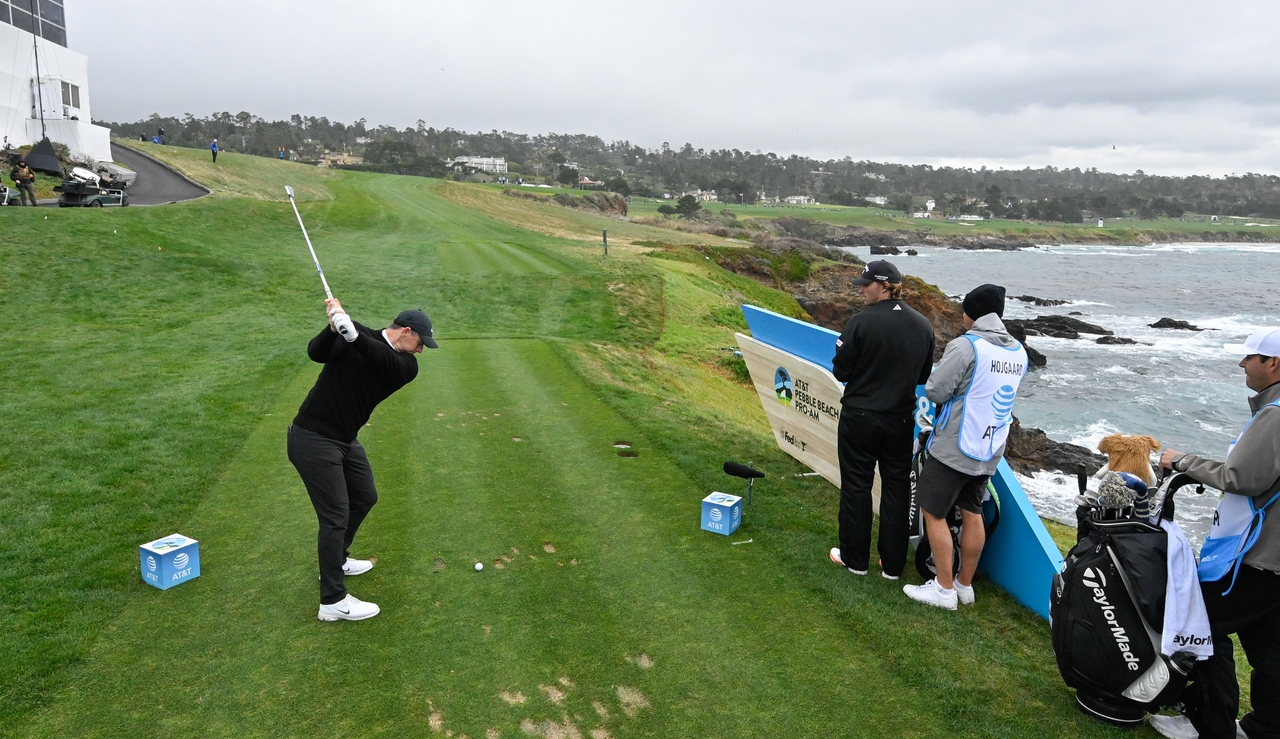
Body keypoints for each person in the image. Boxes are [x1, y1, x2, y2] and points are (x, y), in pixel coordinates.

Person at [1149, 327, 1280, 739]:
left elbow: (1242, 476)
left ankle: (1210, 725)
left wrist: (1182, 460)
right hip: (1274, 560)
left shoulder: (1274, 413)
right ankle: (1265, 727)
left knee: (1200, 623)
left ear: (1272, 363)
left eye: (1249, 358)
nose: (1242, 364)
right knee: (1269, 647)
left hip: (1256, 555)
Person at [288, 300, 438, 621]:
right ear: (407, 331)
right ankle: (332, 601)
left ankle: (336, 559)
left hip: (344, 440)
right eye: (420, 343)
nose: (421, 350)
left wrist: (352, 335)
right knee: (335, 516)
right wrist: (332, 331)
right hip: (312, 437)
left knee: (365, 497)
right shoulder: (354, 333)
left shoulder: (405, 365)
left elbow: (379, 357)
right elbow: (317, 353)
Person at [903, 284, 1026, 609]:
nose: (961, 314)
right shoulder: (1018, 351)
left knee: (933, 511)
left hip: (955, 445)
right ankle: (964, 585)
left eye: (965, 308)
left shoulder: (966, 346)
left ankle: (943, 590)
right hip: (989, 448)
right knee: (973, 512)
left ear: (973, 312)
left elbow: (935, 390)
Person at [829, 260, 936, 579]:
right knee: (896, 489)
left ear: (886, 286)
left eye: (866, 284)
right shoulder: (923, 324)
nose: (861, 289)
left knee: (856, 486)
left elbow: (841, 370)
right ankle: (892, 566)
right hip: (900, 419)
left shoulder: (860, 322)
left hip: (860, 417)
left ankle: (855, 561)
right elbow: (924, 376)